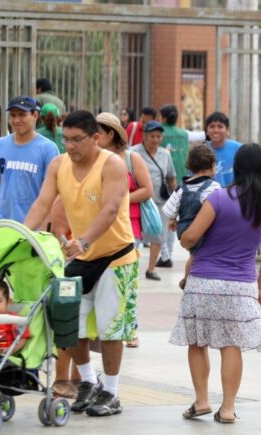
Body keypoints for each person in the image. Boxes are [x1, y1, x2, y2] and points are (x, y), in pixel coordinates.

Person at [25, 109, 139, 417]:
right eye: (66, 139)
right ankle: (88, 381)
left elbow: (111, 208)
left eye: (77, 140)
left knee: (111, 328)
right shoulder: (58, 165)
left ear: (96, 138)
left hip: (116, 257)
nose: (70, 146)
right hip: (80, 257)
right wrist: (23, 234)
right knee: (68, 321)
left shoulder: (112, 164)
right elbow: (42, 204)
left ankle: (112, 392)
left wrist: (85, 239)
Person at [169, 143, 261, 424]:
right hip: (241, 285)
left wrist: (182, 238)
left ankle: (202, 401)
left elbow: (191, 236)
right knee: (231, 345)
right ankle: (228, 408)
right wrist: (260, 287)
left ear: (238, 167)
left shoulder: (219, 198)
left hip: (204, 281)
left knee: (197, 342)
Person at [0, 96, 59, 249]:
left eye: (22, 115)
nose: (17, 120)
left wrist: (44, 230)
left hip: (33, 233)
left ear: (35, 116)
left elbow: (53, 195)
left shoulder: (48, 149)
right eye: (13, 115)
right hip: (2, 228)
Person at [97, 112, 154, 349]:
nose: (94, 138)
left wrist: (119, 199)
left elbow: (147, 190)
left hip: (129, 227)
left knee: (127, 281)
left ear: (111, 134)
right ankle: (104, 328)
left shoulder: (131, 158)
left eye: (97, 133)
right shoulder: (94, 159)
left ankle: (130, 329)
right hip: (99, 228)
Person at [162, 144, 221, 290]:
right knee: (199, 255)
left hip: (183, 230)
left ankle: (189, 278)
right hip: (201, 231)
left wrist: (172, 220)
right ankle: (189, 278)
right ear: (213, 166)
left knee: (194, 254)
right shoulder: (213, 187)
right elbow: (219, 209)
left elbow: (170, 208)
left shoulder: (182, 187)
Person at [133, 120, 177, 280]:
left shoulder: (165, 154)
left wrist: (176, 199)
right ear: (144, 135)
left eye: (159, 136)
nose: (156, 140)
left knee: (158, 236)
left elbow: (171, 177)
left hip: (159, 202)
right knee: (134, 237)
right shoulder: (133, 152)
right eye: (152, 136)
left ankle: (151, 269)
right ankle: (131, 267)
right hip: (137, 201)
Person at [158, 104, 189, 267]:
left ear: (162, 117)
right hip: (182, 180)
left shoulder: (158, 132)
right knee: (173, 218)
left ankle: (163, 254)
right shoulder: (184, 134)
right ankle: (168, 252)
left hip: (163, 182)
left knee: (161, 220)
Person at [204, 111, 241, 188]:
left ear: (227, 130)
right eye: (212, 126)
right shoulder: (200, 152)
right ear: (207, 131)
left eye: (220, 126)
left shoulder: (239, 149)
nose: (216, 130)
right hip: (209, 198)